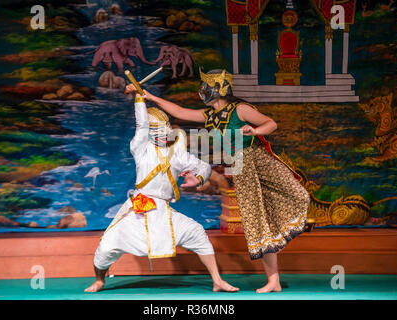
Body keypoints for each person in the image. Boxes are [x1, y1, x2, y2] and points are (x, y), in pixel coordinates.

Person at [124, 68, 310, 293]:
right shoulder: (209, 116)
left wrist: (254, 130)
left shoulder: (240, 109)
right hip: (241, 170)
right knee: (257, 223)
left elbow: (271, 124)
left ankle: (279, 252)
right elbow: (180, 111)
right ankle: (274, 280)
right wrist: (149, 96)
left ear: (219, 89)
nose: (202, 91)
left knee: (297, 195)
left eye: (206, 87)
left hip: (259, 161)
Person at [85, 90, 239, 293]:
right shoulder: (141, 148)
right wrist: (139, 99)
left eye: (163, 127)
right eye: (154, 128)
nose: (160, 131)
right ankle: (100, 280)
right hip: (138, 207)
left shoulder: (177, 153)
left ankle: (217, 280)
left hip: (162, 211)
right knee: (107, 246)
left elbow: (204, 167)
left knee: (197, 233)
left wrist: (198, 179)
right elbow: (141, 124)